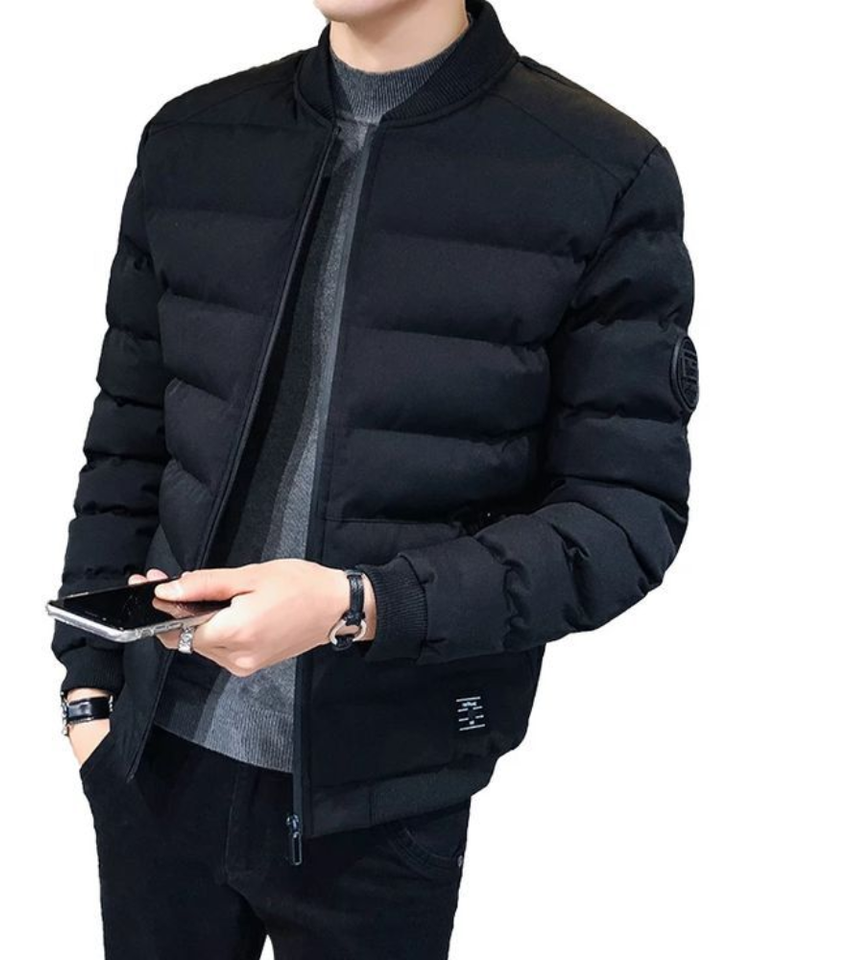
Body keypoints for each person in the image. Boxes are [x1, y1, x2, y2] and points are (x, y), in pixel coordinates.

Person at [50, 0, 699, 956]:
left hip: (383, 797)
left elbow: (623, 518)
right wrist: (87, 692)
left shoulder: (596, 169)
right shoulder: (195, 138)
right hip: (154, 762)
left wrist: (361, 604)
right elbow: (127, 436)